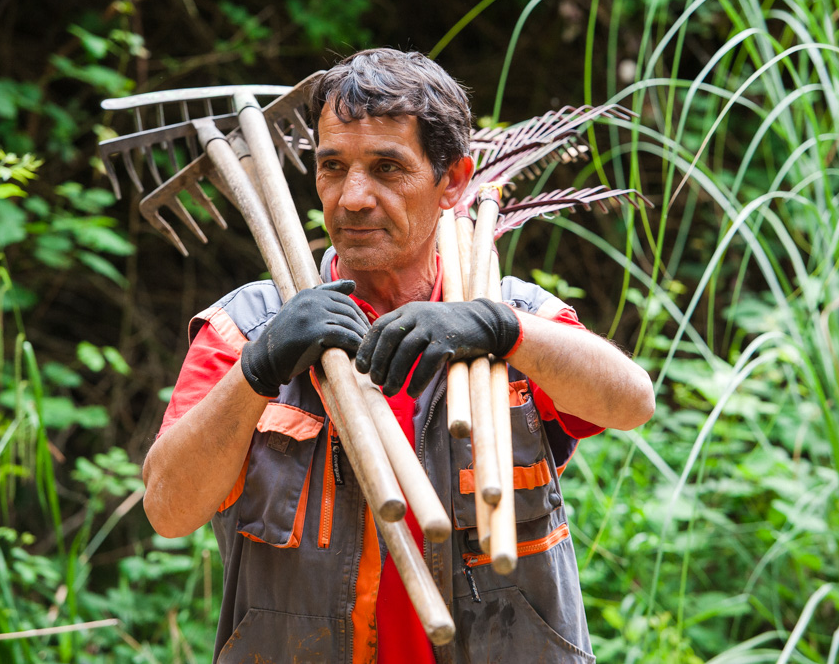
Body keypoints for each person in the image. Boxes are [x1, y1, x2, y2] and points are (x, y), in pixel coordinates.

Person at [141, 48, 655, 664]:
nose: (353, 197)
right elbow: (168, 510)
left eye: (388, 168)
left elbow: (631, 402)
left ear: (454, 181)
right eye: (333, 167)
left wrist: (502, 328)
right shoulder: (250, 327)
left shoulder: (505, 312)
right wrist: (259, 370)